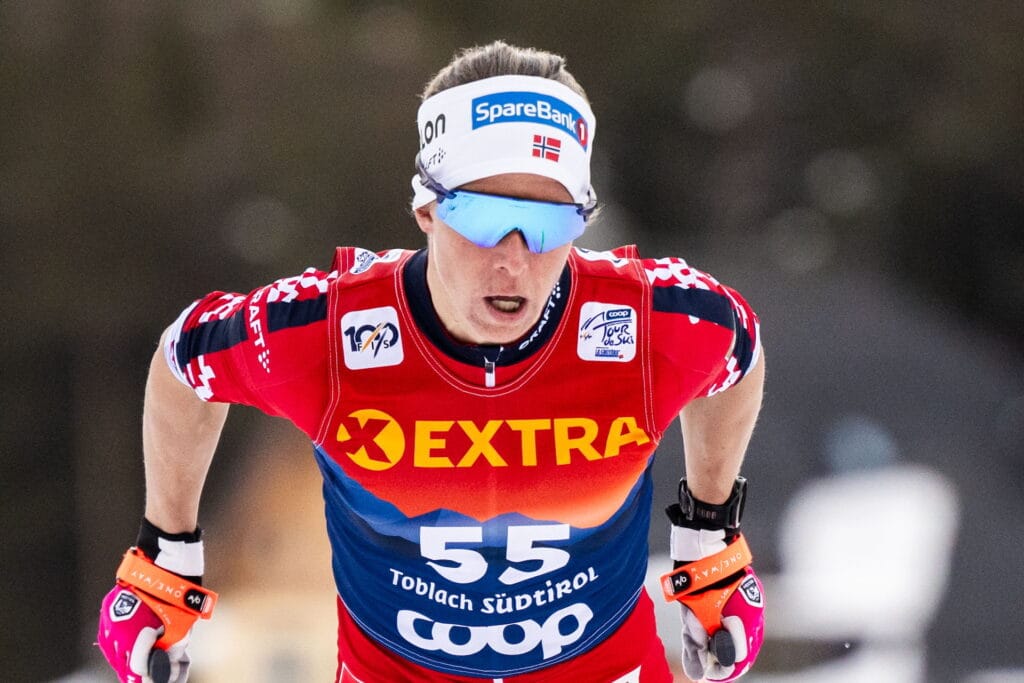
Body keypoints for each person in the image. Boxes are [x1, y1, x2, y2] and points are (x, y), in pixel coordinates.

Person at [96, 41, 766, 683]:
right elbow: (185, 361)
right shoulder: (329, 333)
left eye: (548, 224)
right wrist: (166, 555)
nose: (513, 259)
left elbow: (739, 348)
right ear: (426, 205)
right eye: (481, 216)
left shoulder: (644, 322)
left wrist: (711, 538)